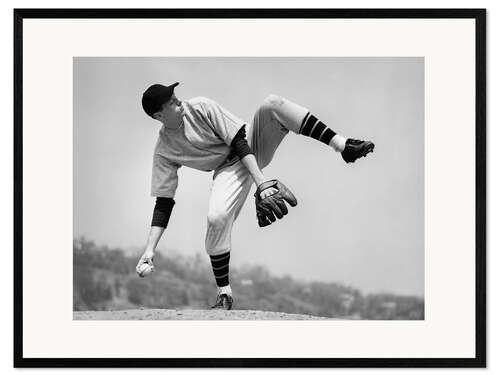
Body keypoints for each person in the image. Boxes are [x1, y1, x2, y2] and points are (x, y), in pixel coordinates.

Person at [136, 82, 375, 310]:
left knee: (272, 104)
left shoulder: (199, 106)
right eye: (170, 101)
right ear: (159, 115)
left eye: (174, 95)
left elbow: (239, 142)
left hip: (251, 143)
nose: (177, 99)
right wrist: (149, 250)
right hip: (228, 171)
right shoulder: (164, 150)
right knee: (216, 217)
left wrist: (261, 183)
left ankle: (343, 146)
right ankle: (224, 293)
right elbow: (163, 202)